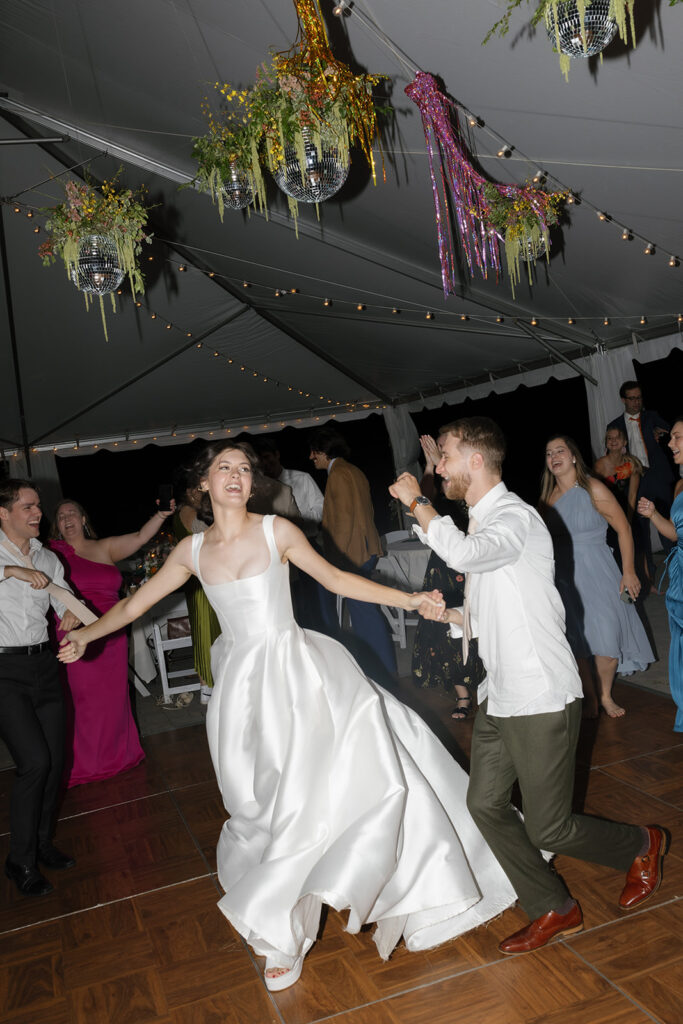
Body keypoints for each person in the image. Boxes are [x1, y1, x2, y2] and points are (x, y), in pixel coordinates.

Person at [58, 440, 519, 992]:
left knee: (308, 800)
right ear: (203, 484)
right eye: (223, 468)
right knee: (258, 807)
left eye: (244, 469)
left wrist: (409, 599)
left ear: (253, 485)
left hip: (299, 676)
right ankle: (285, 907)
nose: (235, 475)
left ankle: (284, 935)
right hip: (240, 693)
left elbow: (337, 579)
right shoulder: (192, 551)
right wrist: (87, 632)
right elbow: (135, 606)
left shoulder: (278, 532)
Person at [390, 417, 669, 956]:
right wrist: (450, 613)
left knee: (549, 829)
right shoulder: (483, 525)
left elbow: (467, 557)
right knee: (485, 804)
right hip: (503, 695)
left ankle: (641, 842)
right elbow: (491, 604)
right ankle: (553, 905)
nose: (439, 465)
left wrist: (417, 502)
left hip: (540, 694)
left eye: (444, 455)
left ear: (476, 459)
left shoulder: (515, 517)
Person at [48, 497, 175, 785]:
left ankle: (119, 755)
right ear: (56, 525)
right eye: (60, 516)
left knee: (113, 696)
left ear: (83, 519)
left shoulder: (104, 547)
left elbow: (142, 536)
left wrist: (160, 514)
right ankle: (83, 763)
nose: (67, 518)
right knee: (81, 700)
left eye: (72, 513)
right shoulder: (50, 553)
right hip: (74, 632)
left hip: (112, 632)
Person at [0, 480, 78, 896]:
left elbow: (65, 601)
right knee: (33, 763)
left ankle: (42, 843)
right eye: (28, 506)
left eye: (38, 506)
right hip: (3, 670)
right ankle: (19, 860)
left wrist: (73, 617)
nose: (38, 514)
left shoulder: (48, 558)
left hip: (43, 664)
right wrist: (10, 570)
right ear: (3, 512)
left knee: (55, 760)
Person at [540, 436, 653, 718]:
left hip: (600, 570)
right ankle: (588, 697)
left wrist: (628, 571)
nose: (554, 457)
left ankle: (605, 694)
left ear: (574, 456)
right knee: (575, 640)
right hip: (564, 576)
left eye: (560, 451)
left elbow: (624, 528)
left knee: (609, 635)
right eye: (549, 453)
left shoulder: (594, 488)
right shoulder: (546, 498)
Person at [309, 426, 396, 681]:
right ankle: (380, 666)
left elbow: (344, 521)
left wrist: (338, 560)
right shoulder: (352, 470)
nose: (311, 457)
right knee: (365, 611)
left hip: (353, 553)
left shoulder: (338, 474)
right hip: (364, 549)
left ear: (324, 452)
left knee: (364, 613)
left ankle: (381, 670)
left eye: (314, 452)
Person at [411, 435, 485, 719]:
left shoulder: (472, 488)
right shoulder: (440, 489)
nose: (443, 465)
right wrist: (429, 468)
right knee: (444, 627)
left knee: (476, 621)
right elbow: (420, 505)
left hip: (473, 562)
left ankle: (486, 683)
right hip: (443, 569)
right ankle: (462, 695)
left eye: (445, 457)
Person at [638, 417, 683, 733]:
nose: (671, 443)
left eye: (678, 437)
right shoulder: (680, 485)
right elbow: (676, 533)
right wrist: (653, 514)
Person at [607, 381, 673, 563]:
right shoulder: (615, 426)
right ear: (623, 400)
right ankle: (648, 578)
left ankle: (678, 570)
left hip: (657, 477)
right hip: (634, 481)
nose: (637, 402)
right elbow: (611, 458)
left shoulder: (651, 416)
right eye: (632, 398)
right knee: (639, 530)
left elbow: (671, 428)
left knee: (667, 524)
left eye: (639, 397)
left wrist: (661, 430)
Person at [172, 481, 221, 706]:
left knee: (209, 630)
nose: (199, 492)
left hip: (200, 578)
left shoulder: (187, 511)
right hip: (202, 580)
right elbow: (209, 539)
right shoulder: (189, 511)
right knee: (205, 631)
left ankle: (211, 686)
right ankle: (207, 687)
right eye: (195, 488)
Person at [594, 425, 648, 584]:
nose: (613, 440)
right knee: (614, 556)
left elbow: (632, 495)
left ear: (625, 441)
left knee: (636, 545)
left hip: (626, 511)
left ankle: (642, 583)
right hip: (606, 515)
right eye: (609, 438)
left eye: (617, 437)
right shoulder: (599, 465)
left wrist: (628, 521)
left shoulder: (632, 464)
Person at [253, 436, 324, 537]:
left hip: (308, 539)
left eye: (266, 457)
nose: (265, 463)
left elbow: (321, 507)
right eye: (260, 460)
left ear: (277, 455)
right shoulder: (258, 487)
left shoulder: (302, 478)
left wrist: (301, 518)